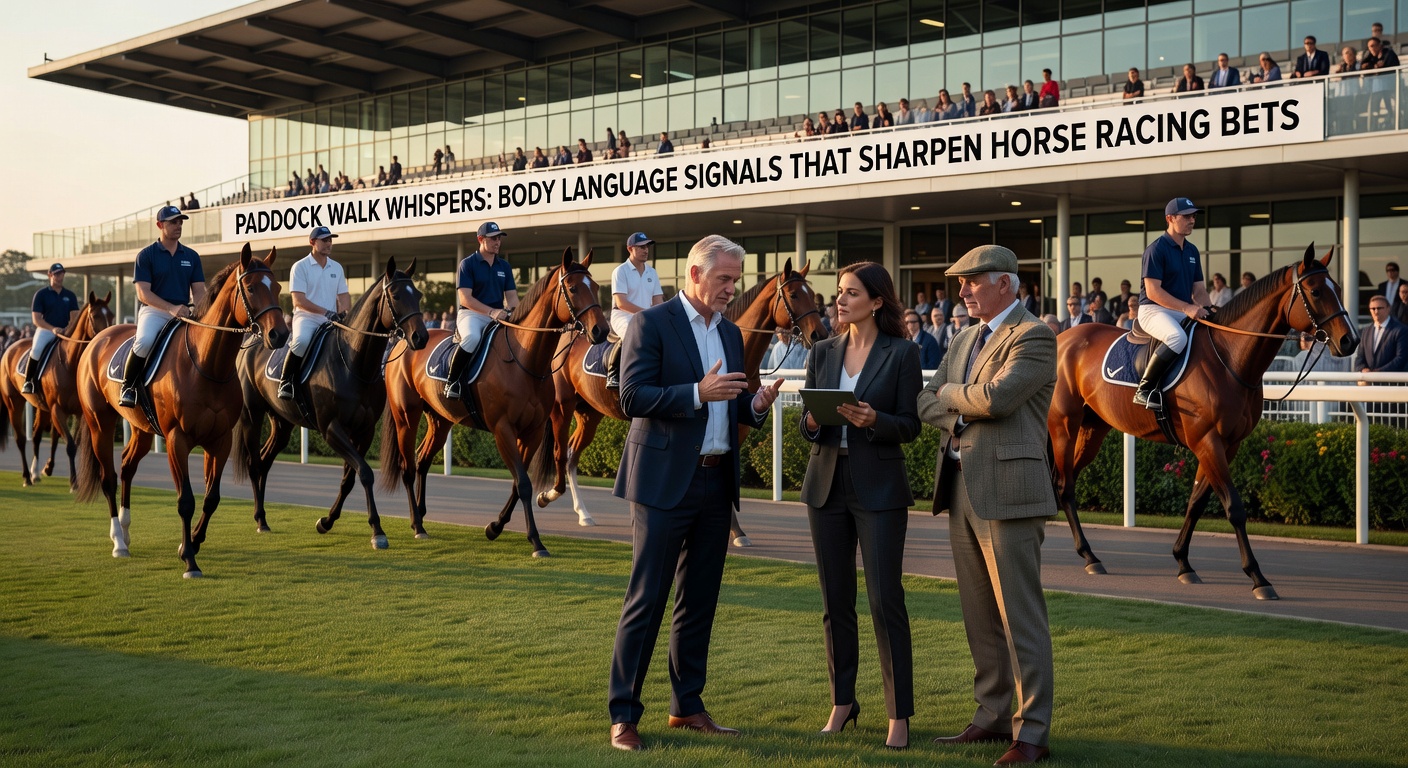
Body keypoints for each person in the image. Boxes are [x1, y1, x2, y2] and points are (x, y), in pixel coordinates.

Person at [607, 235, 782, 751]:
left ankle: (687, 706)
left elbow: (730, 404)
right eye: (725, 278)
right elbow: (632, 395)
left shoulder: (730, 334)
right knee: (648, 599)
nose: (733, 288)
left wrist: (756, 404)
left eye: (737, 278)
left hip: (715, 480)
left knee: (698, 601)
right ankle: (623, 715)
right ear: (695, 275)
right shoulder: (650, 324)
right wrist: (695, 394)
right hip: (663, 482)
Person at [918, 244, 1057, 766]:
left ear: (1005, 284)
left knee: (1019, 617)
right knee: (979, 617)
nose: (961, 290)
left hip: (1011, 494)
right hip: (960, 488)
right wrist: (961, 401)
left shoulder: (1035, 335)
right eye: (961, 282)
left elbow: (999, 399)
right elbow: (924, 400)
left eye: (971, 281)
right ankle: (993, 715)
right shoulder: (965, 337)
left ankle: (1032, 733)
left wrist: (954, 395)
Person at [800, 262, 921, 750]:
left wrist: (875, 419)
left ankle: (899, 715)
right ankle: (842, 702)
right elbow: (809, 428)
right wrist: (811, 420)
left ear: (876, 301)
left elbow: (911, 425)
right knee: (835, 603)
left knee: (884, 601)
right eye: (839, 293)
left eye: (851, 293)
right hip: (825, 486)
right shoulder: (823, 350)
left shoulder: (903, 353)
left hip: (880, 490)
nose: (840, 301)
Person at [119, 205, 207, 408]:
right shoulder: (146, 255)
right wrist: (170, 308)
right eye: (173, 222)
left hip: (185, 312)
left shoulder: (191, 256)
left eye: (180, 222)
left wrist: (200, 313)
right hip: (155, 311)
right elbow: (143, 293)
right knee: (144, 340)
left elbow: (200, 292)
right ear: (160, 225)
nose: (178, 225)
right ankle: (128, 386)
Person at [1135, 197, 1211, 409]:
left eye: (1194, 216)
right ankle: (1144, 389)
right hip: (1153, 309)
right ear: (1170, 218)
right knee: (1177, 338)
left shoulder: (1192, 251)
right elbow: (1153, 291)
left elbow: (1199, 291)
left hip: (1179, 310)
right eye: (1187, 216)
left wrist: (1213, 312)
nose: (1192, 220)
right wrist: (1187, 307)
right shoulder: (1156, 249)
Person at [444, 222, 518, 400]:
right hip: (472, 314)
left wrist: (518, 315)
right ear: (480, 239)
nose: (497, 242)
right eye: (493, 238)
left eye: (499, 238)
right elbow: (465, 299)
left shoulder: (504, 267)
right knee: (472, 338)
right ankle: (452, 382)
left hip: (498, 315)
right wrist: (492, 312)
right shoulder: (467, 264)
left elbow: (513, 298)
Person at [281, 227, 350, 401]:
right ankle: (286, 381)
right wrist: (327, 312)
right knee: (301, 341)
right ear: (312, 242)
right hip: (307, 318)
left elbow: (343, 296)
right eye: (324, 240)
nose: (329, 243)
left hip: (332, 320)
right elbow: (298, 301)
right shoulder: (300, 267)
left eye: (330, 240)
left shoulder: (337, 267)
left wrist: (345, 314)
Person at [607, 232, 665, 389]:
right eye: (641, 247)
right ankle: (613, 373)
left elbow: (658, 302)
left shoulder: (652, 273)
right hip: (622, 315)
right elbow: (621, 303)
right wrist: (646, 314)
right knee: (631, 333)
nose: (646, 250)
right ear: (630, 249)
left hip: (646, 317)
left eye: (646, 247)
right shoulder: (620, 271)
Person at [22, 263, 79, 395]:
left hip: (65, 331)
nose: (60, 277)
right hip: (46, 330)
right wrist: (53, 329)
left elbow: (75, 317)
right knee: (36, 350)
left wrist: (68, 329)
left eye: (62, 273)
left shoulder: (70, 295)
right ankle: (28, 381)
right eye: (57, 274)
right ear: (50, 275)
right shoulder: (41, 294)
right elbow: (36, 319)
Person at [1355, 296, 1408, 374]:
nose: (1376, 311)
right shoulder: (1366, 331)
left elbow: (1401, 358)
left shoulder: (1401, 330)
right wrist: (1363, 369)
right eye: (1373, 309)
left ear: (1388, 309)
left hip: (1392, 382)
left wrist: (1379, 372)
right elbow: (1360, 357)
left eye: (1379, 308)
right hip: (1370, 382)